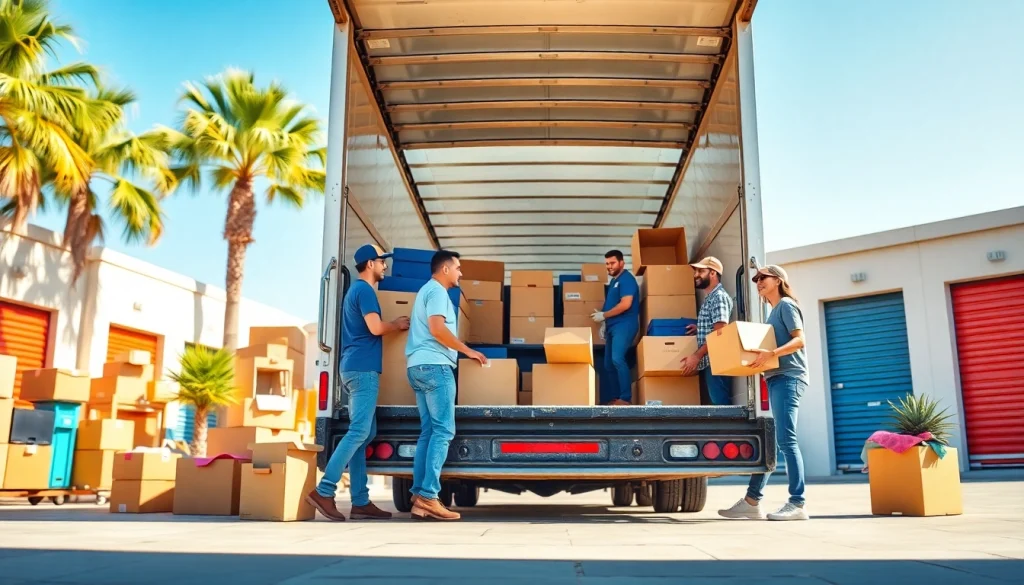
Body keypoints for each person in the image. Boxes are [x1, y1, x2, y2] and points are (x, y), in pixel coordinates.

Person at [306, 244, 410, 522]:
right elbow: (375, 328)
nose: (385, 266)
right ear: (370, 264)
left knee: (366, 433)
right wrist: (396, 324)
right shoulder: (364, 291)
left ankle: (361, 502)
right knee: (359, 431)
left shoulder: (356, 291)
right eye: (382, 261)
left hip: (353, 367)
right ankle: (324, 491)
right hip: (362, 370)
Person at [719, 264, 809, 521]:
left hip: (789, 378)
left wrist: (772, 354)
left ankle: (797, 503)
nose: (758, 281)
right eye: (756, 278)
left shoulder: (787, 306)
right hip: (776, 379)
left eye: (763, 277)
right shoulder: (772, 312)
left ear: (778, 280)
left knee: (787, 441)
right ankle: (751, 501)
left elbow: (800, 340)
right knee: (772, 441)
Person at [405, 250, 488, 521]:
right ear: (445, 269)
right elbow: (437, 329)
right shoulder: (438, 292)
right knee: (443, 431)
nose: (460, 273)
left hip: (417, 366)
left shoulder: (425, 291)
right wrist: (467, 350)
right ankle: (429, 496)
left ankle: (418, 495)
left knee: (428, 432)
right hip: (435, 367)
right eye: (458, 268)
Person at [680, 257, 733, 405]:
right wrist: (699, 327)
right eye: (696, 271)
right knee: (717, 406)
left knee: (721, 406)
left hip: (717, 360)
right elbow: (715, 324)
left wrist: (696, 356)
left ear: (713, 273)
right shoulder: (711, 297)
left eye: (701, 271)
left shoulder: (719, 297)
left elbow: (720, 332)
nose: (696, 275)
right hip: (712, 361)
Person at [591, 250, 640, 406]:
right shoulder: (614, 282)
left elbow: (626, 304)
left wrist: (604, 315)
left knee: (617, 359)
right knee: (608, 364)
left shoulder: (627, 279)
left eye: (612, 263)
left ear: (622, 263)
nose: (609, 266)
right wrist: (604, 322)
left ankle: (625, 398)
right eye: (607, 264)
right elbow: (611, 304)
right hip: (612, 326)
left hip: (624, 325)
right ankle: (616, 397)